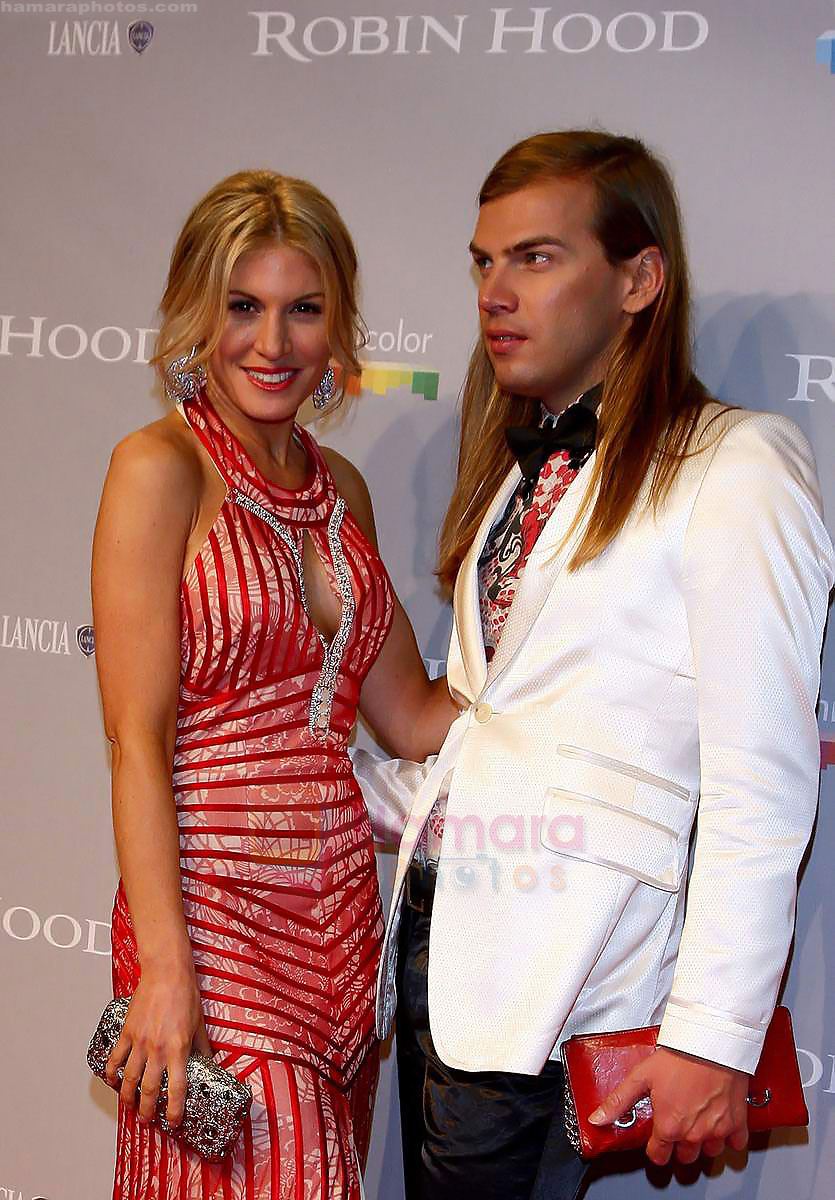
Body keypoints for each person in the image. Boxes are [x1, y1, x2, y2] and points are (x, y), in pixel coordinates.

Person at [353, 131, 834, 1199]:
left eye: (534, 257)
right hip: (444, 959)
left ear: (637, 279)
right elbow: (493, 727)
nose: (494, 292)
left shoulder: (735, 465)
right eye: (482, 262)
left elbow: (762, 780)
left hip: (565, 977)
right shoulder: (522, 473)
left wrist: (712, 1037)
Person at [91, 169, 456, 1199]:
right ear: (198, 313)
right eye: (242, 307)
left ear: (338, 324)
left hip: (340, 931)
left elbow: (409, 717)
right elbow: (135, 737)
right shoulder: (157, 469)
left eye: (305, 310)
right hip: (209, 919)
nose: (273, 342)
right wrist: (167, 970)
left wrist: (566, 637)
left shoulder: (342, 490)